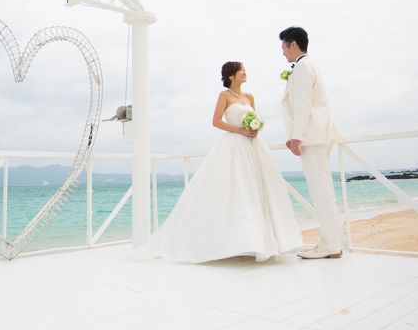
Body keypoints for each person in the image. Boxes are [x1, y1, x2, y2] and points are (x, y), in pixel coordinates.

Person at [142, 62, 303, 263]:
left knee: (258, 188)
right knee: (237, 189)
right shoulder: (224, 95)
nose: (245, 73)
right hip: (234, 145)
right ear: (231, 75)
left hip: (254, 146)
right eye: (241, 70)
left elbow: (254, 117)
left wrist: (255, 129)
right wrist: (241, 130)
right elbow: (216, 121)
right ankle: (237, 242)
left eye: (245, 70)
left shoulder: (250, 97)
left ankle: (262, 241)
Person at [279, 26, 343, 259]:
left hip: (313, 137)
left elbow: (303, 104)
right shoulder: (307, 66)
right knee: (322, 191)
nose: (283, 52)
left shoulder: (303, 67)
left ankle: (331, 245)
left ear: (293, 44)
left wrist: (297, 136)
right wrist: (295, 135)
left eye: (284, 47)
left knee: (321, 192)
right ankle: (330, 242)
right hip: (315, 135)